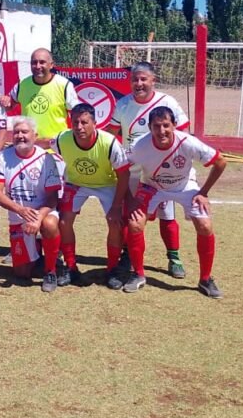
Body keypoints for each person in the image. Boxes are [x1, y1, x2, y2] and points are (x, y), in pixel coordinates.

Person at [121, 106, 226, 298]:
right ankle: (137, 274)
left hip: (185, 186)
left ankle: (205, 279)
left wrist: (203, 193)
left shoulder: (188, 142)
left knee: (205, 225)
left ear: (174, 125)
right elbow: (122, 167)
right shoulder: (139, 146)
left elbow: (220, 161)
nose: (161, 131)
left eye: (166, 126)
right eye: (156, 126)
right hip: (152, 186)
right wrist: (131, 197)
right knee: (134, 223)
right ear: (150, 128)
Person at [106, 61, 191, 279]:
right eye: (135, 79)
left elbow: (183, 132)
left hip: (161, 170)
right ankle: (128, 256)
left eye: (144, 79)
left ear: (153, 80)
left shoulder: (167, 102)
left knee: (166, 214)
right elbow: (112, 132)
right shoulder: (123, 104)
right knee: (130, 215)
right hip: (133, 172)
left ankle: (174, 257)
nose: (139, 83)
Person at [52, 103, 129, 289]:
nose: (79, 127)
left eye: (84, 122)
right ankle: (70, 268)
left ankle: (112, 269)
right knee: (63, 221)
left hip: (106, 184)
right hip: (76, 183)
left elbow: (124, 174)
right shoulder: (62, 139)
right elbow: (46, 144)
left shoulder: (109, 142)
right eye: (75, 122)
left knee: (115, 221)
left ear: (95, 123)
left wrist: (117, 206)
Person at [0, 117, 64, 291]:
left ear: (35, 135)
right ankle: (37, 251)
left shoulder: (46, 159)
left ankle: (50, 270)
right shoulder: (3, 158)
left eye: (25, 132)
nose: (20, 136)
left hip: (43, 213)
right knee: (21, 273)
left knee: (50, 224)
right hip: (18, 216)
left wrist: (37, 218)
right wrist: (20, 210)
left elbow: (53, 198)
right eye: (16, 132)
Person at [0, 48, 81, 147]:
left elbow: (78, 113)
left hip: (56, 148)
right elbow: (8, 105)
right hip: (29, 148)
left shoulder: (64, 85)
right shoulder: (22, 85)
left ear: (51, 65)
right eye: (34, 63)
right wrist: (0, 98)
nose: (38, 66)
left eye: (42, 62)